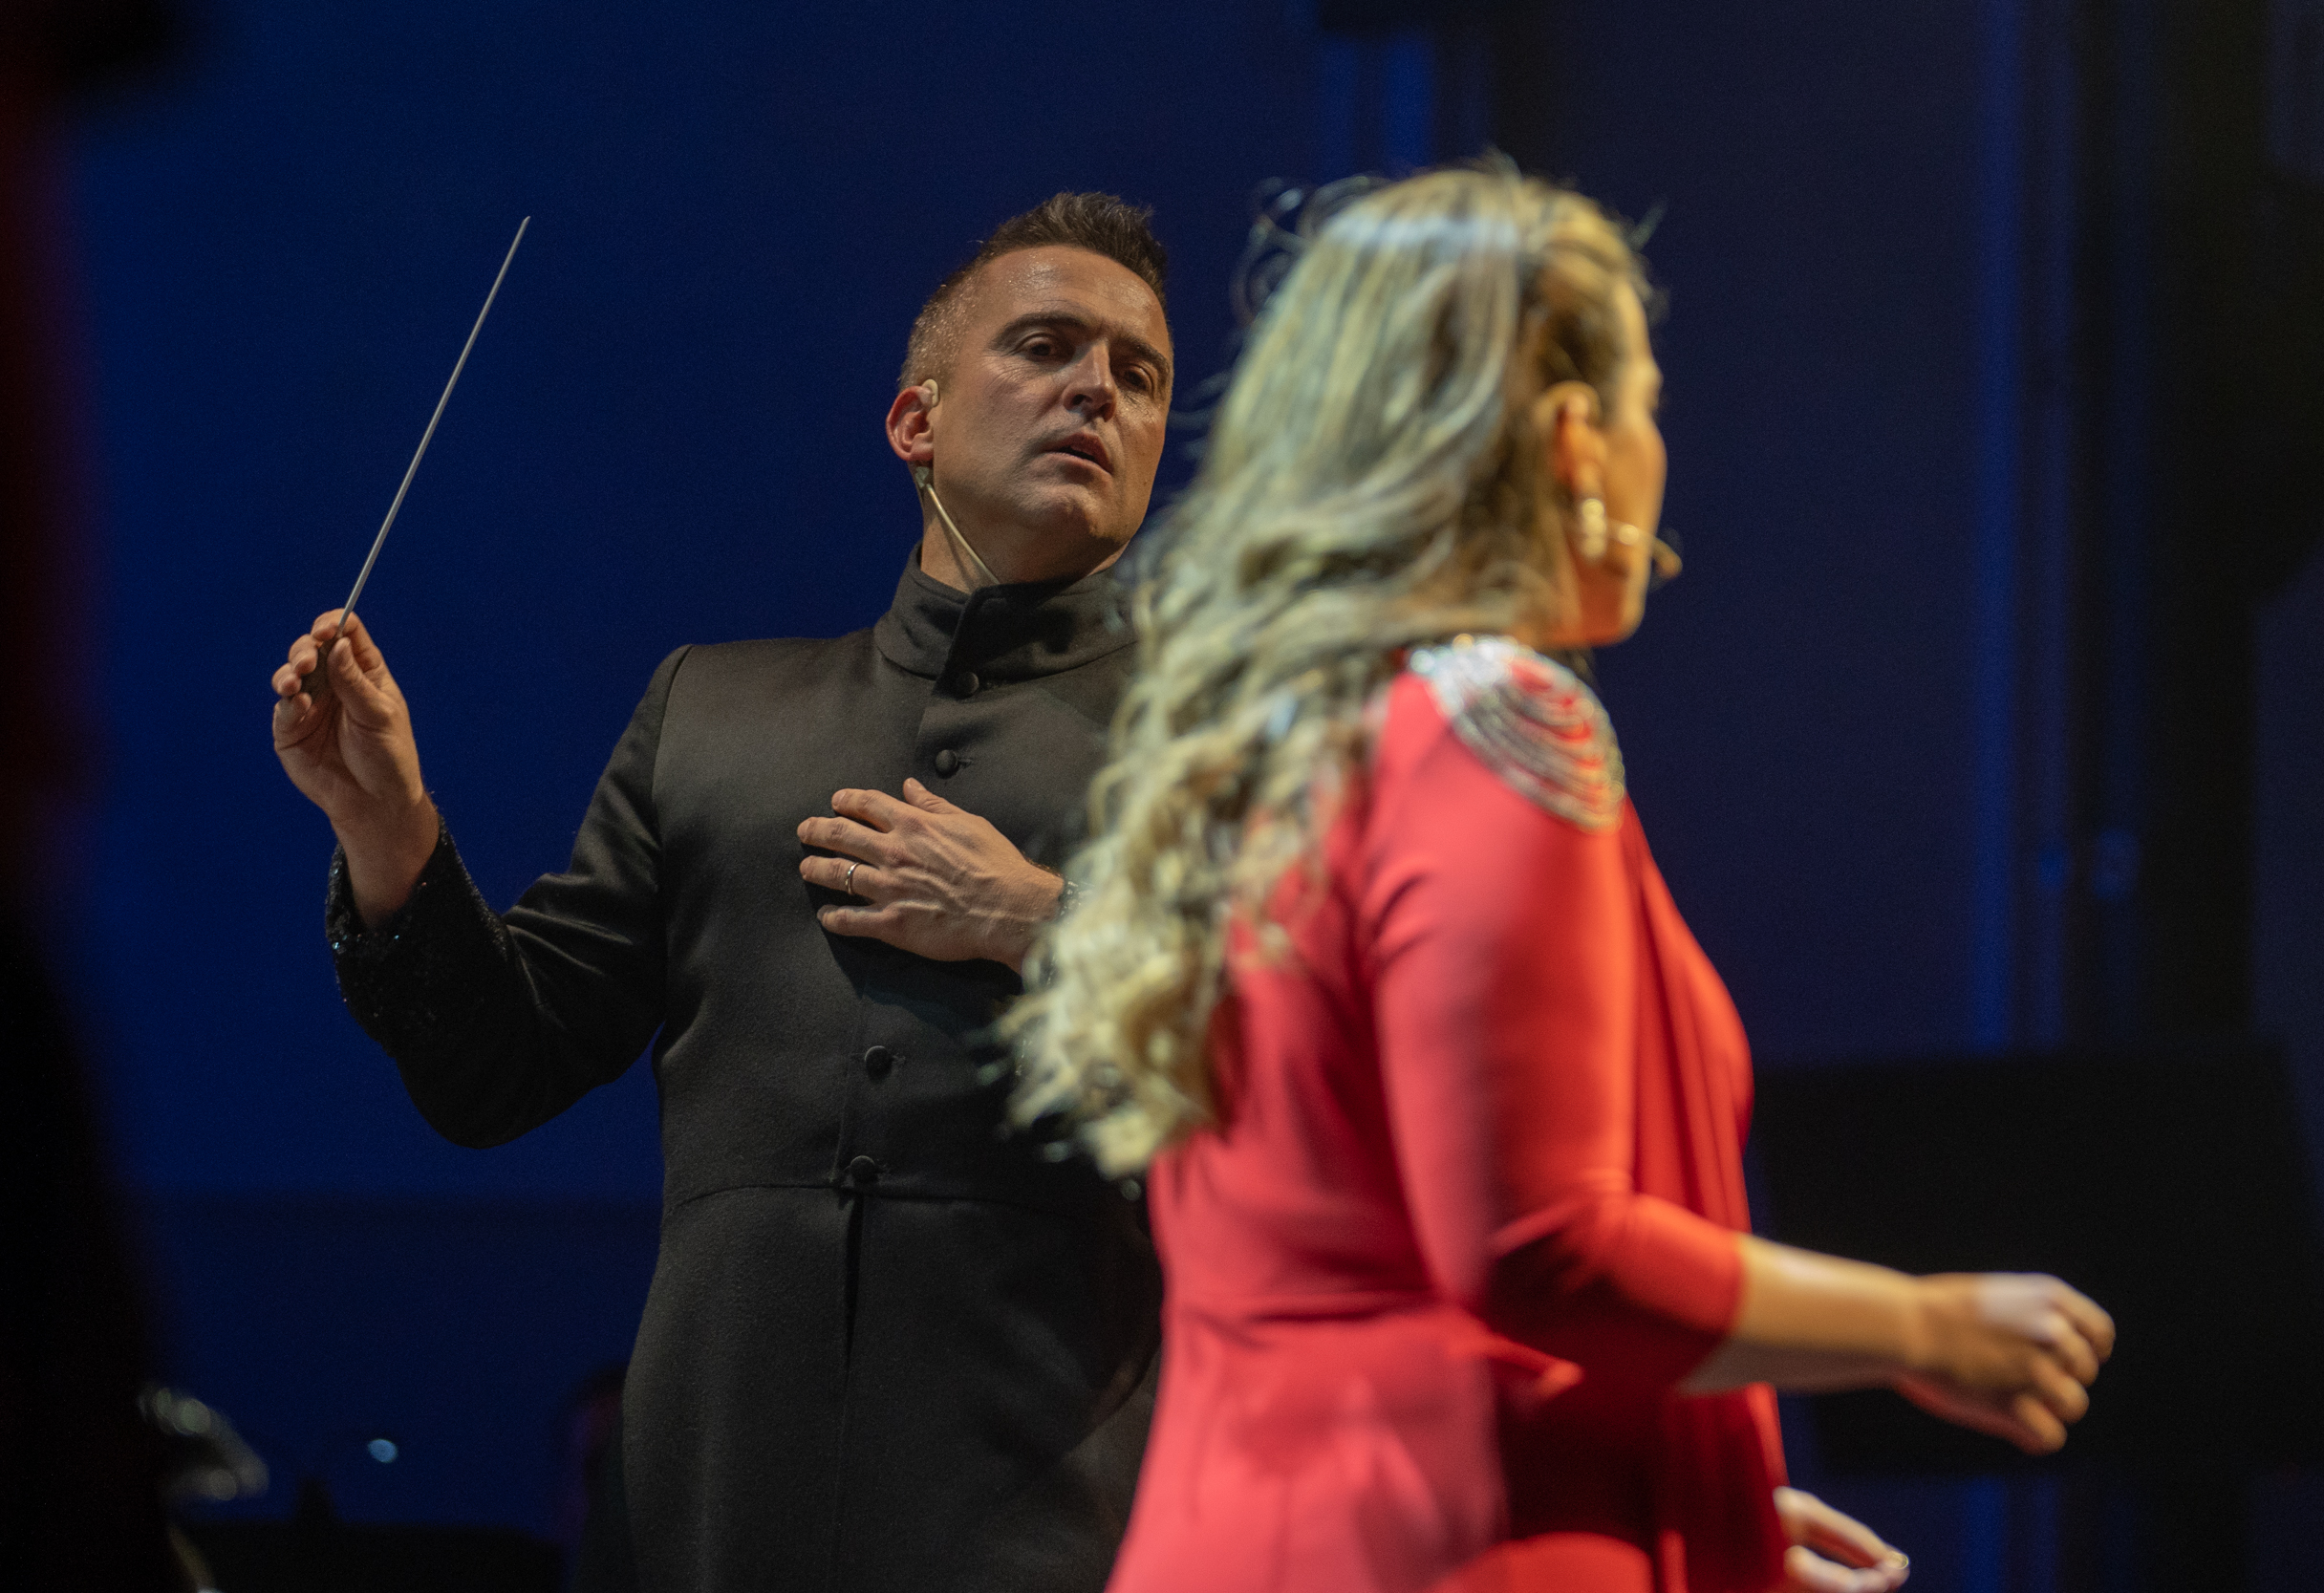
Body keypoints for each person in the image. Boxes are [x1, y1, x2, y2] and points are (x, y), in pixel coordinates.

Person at [1010, 166, 2117, 1593]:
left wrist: (1673, 1485)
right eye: (1649, 405)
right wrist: (1926, 1329)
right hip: (1443, 1544)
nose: (1662, 457)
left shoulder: (1258, 748)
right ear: (1576, 437)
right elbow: (1540, 1245)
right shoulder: (1495, 719)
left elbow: (1352, 1258)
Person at [268, 192, 1176, 1593]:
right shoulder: (714, 711)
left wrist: (1036, 924)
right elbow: (498, 1069)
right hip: (708, 1510)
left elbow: (1323, 1072)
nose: (1096, 390)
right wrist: (388, 829)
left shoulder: (1223, 739)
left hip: (1060, 1516)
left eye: (1139, 373)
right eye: (1046, 347)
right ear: (914, 422)